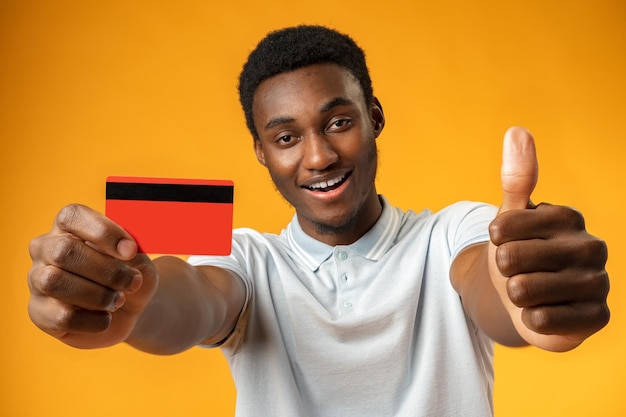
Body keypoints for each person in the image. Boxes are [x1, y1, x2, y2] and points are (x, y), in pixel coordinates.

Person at [27, 25, 610, 416]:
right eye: (285, 137)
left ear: (374, 117)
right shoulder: (248, 260)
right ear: (261, 151)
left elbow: (488, 279)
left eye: (337, 122)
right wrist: (130, 302)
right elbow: (191, 300)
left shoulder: (450, 234)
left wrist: (528, 299)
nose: (318, 157)